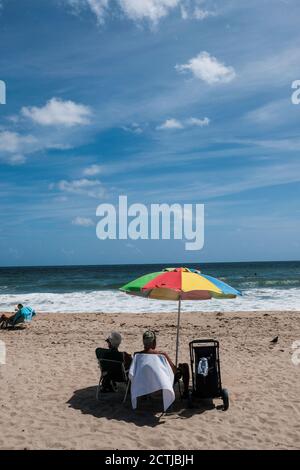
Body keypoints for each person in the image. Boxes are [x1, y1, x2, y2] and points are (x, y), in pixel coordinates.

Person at [136, 330, 190, 398]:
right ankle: (186, 393)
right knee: (184, 366)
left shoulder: (137, 355)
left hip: (146, 383)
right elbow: (174, 371)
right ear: (154, 342)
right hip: (161, 384)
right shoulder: (161, 355)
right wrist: (179, 369)